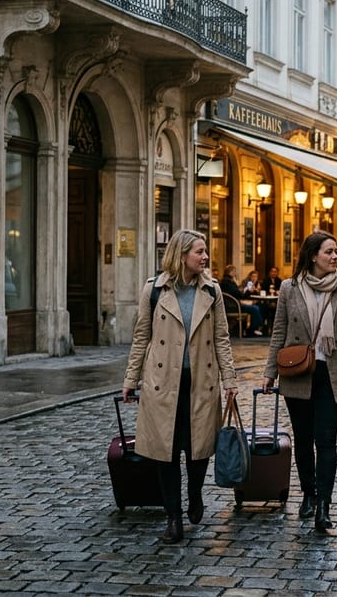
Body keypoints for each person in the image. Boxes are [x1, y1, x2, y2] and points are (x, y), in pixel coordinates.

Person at [122, 229, 238, 544]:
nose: (205, 257)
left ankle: (195, 493)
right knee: (166, 452)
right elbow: (141, 337)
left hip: (200, 381)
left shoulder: (212, 292)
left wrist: (230, 380)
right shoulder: (155, 290)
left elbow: (222, 340)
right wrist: (131, 380)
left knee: (199, 449)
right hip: (163, 384)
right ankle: (173, 517)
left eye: (205, 252)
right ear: (182, 254)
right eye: (199, 252)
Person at [263, 232, 337, 533]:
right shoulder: (289, 288)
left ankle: (324, 505)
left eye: (336, 252)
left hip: (332, 374)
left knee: (327, 441)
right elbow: (278, 333)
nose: (335, 257)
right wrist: (270, 372)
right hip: (298, 372)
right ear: (312, 256)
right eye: (328, 252)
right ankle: (308, 492)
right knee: (304, 439)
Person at [220, 264, 265, 337]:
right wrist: (248, 291)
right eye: (234, 271)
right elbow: (238, 294)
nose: (235, 273)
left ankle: (253, 328)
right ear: (230, 272)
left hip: (232, 304)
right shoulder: (228, 282)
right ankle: (253, 329)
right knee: (255, 308)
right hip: (233, 306)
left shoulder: (226, 281)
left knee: (257, 307)